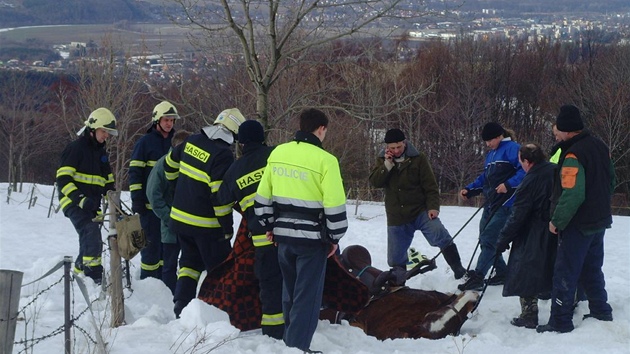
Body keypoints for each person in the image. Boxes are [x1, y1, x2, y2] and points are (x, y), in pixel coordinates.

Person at [254, 108, 347, 353]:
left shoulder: (278, 153)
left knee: (290, 292)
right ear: (321, 129)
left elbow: (262, 198)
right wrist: (334, 237)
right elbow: (335, 205)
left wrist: (270, 226)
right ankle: (296, 348)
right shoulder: (326, 161)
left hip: (283, 238)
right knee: (307, 297)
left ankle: (289, 343)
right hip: (312, 240)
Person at [537, 104, 615, 333]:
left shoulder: (572, 155)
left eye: (557, 131)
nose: (556, 135)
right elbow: (610, 180)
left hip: (577, 223)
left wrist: (557, 221)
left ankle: (559, 321)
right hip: (599, 220)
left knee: (565, 271)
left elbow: (573, 194)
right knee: (592, 267)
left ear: (567, 131)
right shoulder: (601, 146)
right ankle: (601, 310)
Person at [164, 108, 245, 318]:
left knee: (189, 264)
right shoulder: (223, 154)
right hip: (206, 226)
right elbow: (219, 198)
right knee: (220, 270)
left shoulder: (191, 141)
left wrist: (177, 192)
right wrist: (227, 228)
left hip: (180, 220)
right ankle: (221, 311)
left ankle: (181, 306)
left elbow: (169, 167)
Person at [368, 128, 466, 279]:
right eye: (392, 148)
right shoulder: (382, 160)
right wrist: (387, 165)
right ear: (387, 147)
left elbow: (431, 185)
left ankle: (459, 270)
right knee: (395, 258)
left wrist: (433, 207)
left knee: (440, 234)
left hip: (421, 211)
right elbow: (375, 182)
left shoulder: (419, 158)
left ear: (405, 143)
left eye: (399, 147)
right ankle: (399, 284)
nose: (396, 150)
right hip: (397, 215)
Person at [216, 120, 283, 339]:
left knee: (269, 285)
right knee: (296, 279)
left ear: (241, 143)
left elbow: (220, 204)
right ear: (263, 137)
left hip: (263, 239)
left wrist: (227, 232)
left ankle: (273, 333)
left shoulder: (234, 170)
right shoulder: (278, 155)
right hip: (292, 233)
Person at [495, 143, 557, 329]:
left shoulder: (529, 181)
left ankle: (529, 313)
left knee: (525, 269)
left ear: (527, 162)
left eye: (521, 161)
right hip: (557, 228)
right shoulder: (555, 170)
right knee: (554, 267)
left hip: (533, 232)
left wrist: (502, 240)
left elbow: (518, 215)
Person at [458, 122, 525, 291]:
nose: (487, 144)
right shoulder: (491, 155)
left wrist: (508, 184)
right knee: (485, 238)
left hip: (507, 203)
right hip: (491, 202)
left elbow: (525, 171)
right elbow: (485, 178)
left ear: (498, 136)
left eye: (489, 140)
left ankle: (478, 276)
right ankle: (502, 272)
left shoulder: (513, 149)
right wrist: (470, 189)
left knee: (489, 238)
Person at [56, 107, 118, 285]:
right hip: (74, 202)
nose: (106, 135)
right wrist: (81, 200)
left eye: (108, 132)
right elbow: (63, 180)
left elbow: (108, 181)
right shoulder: (75, 149)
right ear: (92, 129)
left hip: (92, 205)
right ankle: (94, 278)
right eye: (104, 131)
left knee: (88, 239)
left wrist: (114, 203)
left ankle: (77, 275)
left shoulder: (100, 153)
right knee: (91, 235)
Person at [129, 101, 180, 281]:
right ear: (156, 121)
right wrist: (137, 199)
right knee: (150, 250)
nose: (169, 124)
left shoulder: (173, 145)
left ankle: (162, 285)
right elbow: (135, 172)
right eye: (166, 120)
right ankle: (148, 284)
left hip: (166, 209)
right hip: (148, 209)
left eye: (172, 121)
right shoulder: (145, 143)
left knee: (165, 251)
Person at [146, 129, 191, 295]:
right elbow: (153, 195)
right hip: (171, 227)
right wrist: (169, 218)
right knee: (169, 265)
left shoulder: (191, 165)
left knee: (188, 265)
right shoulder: (162, 165)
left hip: (189, 226)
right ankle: (169, 297)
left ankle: (184, 297)